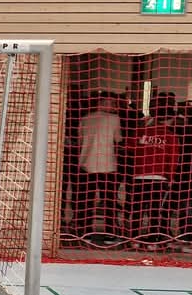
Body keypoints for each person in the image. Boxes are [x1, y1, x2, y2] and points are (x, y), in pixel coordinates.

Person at [127, 93, 180, 249]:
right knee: (155, 211)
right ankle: (154, 240)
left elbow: (130, 147)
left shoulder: (142, 131)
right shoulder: (171, 136)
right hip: (159, 178)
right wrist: (170, 177)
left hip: (139, 176)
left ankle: (134, 239)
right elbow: (173, 159)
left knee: (137, 209)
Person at [77, 93, 123, 245]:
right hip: (107, 165)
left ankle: (85, 232)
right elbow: (118, 140)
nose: (115, 107)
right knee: (109, 201)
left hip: (86, 164)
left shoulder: (85, 118)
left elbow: (80, 141)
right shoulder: (114, 119)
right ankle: (110, 233)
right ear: (103, 103)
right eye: (112, 103)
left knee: (86, 201)